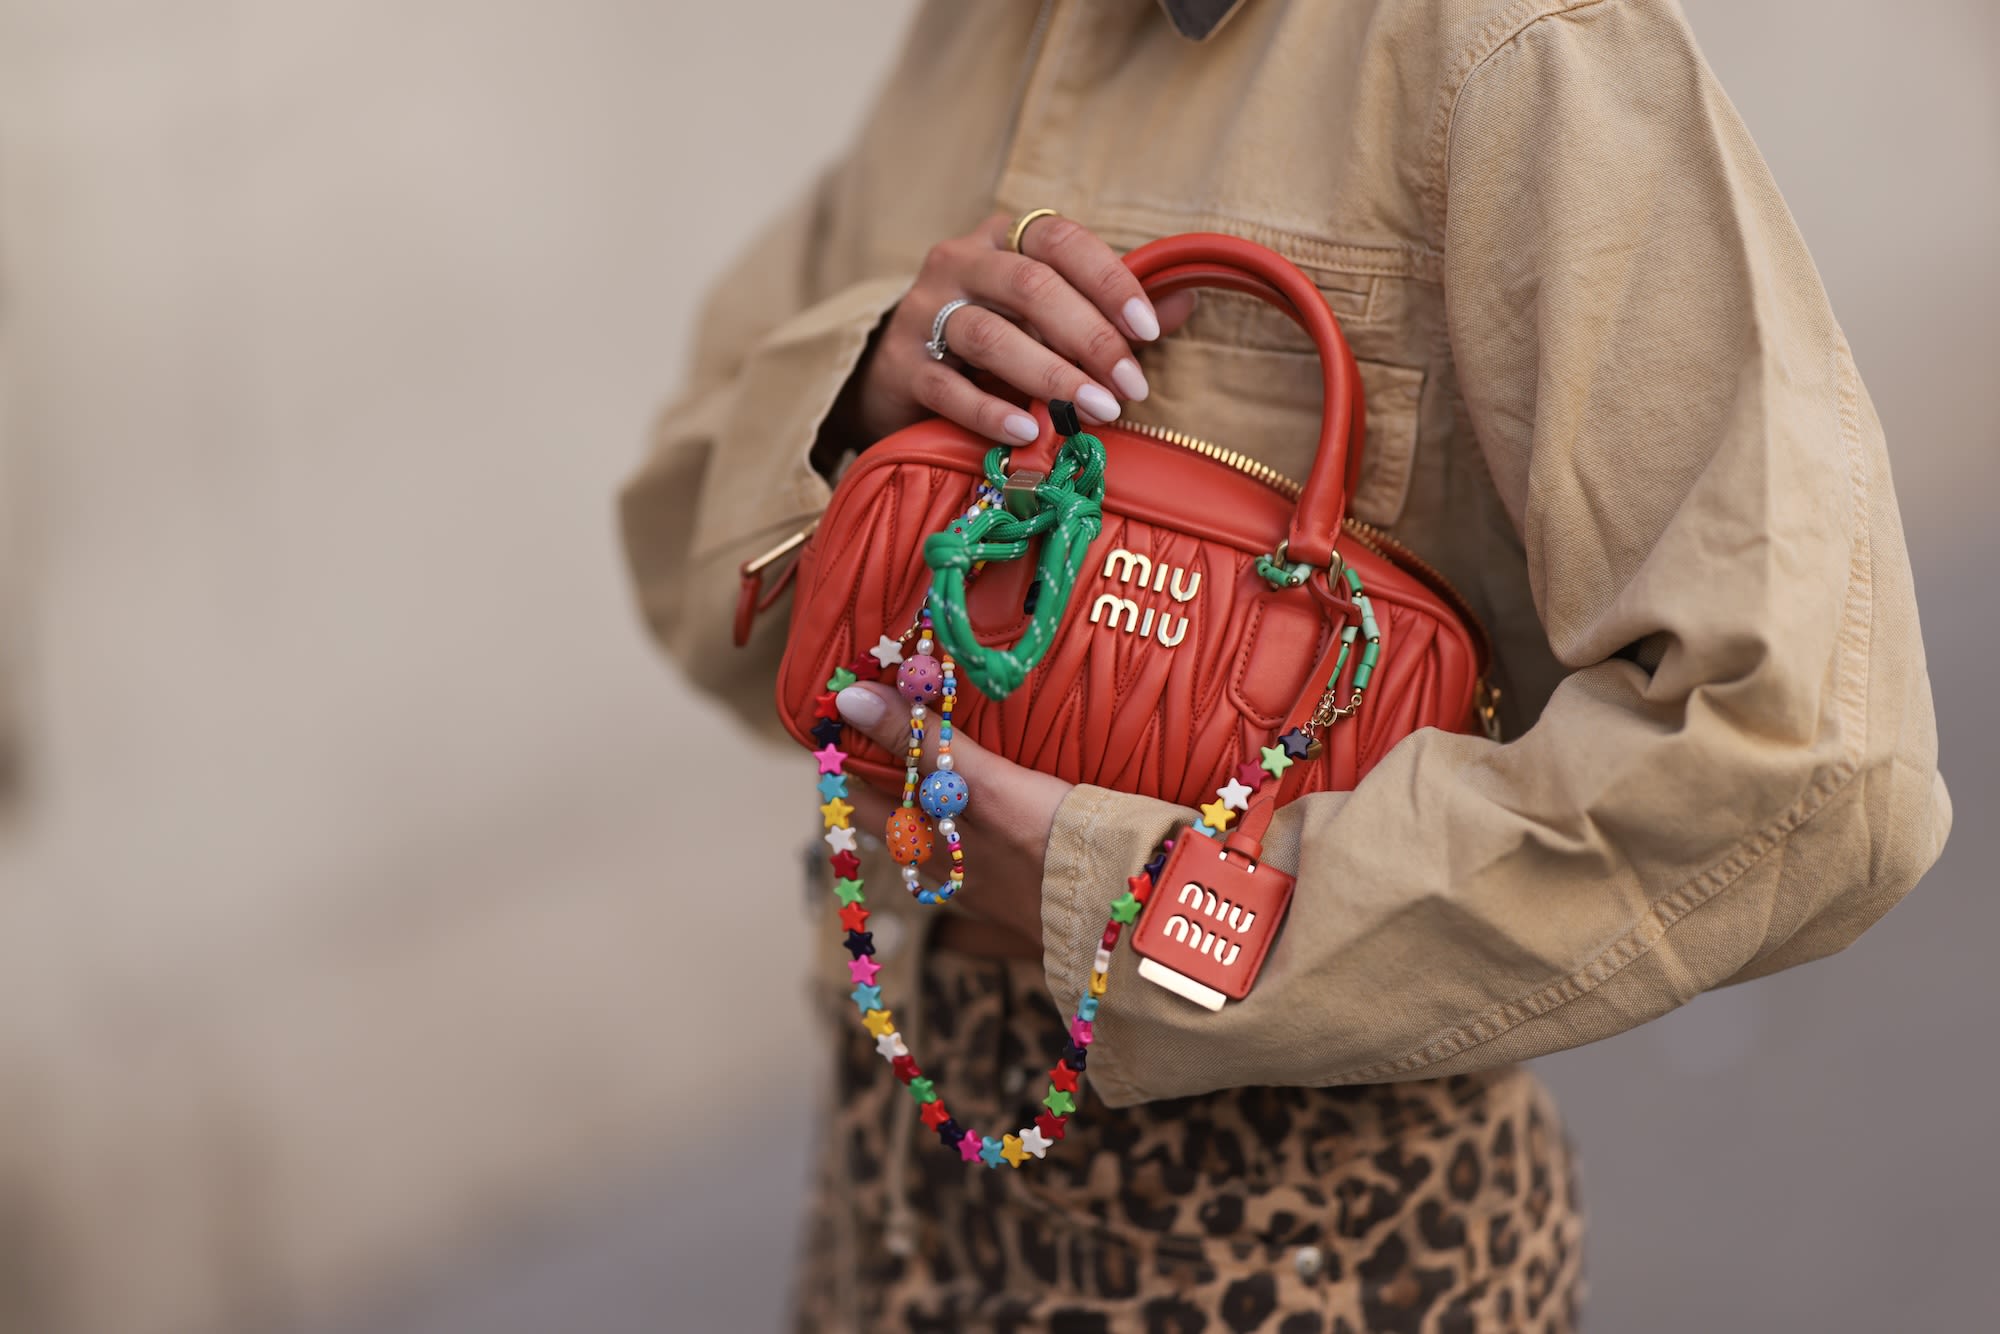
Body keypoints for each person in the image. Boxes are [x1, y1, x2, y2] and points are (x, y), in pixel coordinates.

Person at [620, 1, 1952, 1328]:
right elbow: (681, 557)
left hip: (1310, 1254)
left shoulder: (1513, 45)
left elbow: (1803, 757)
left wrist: (1150, 904)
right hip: (898, 1198)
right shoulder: (983, 27)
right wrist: (860, 388)